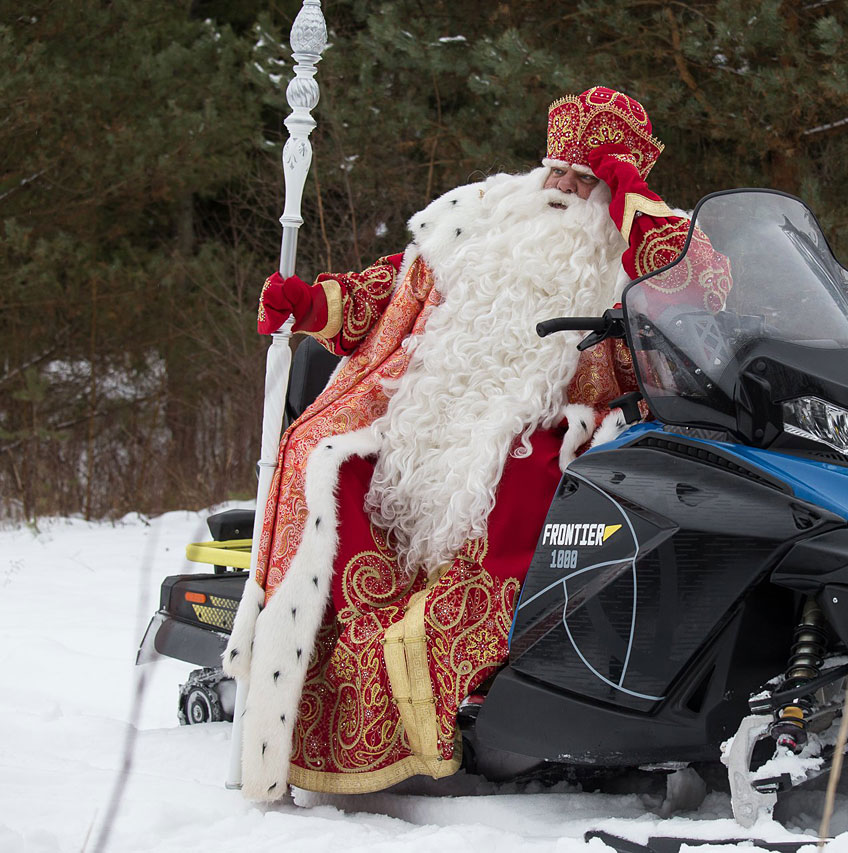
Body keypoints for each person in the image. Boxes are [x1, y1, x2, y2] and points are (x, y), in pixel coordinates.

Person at [222, 86, 731, 800]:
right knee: (325, 462)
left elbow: (708, 303)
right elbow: (387, 294)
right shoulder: (476, 222)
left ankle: (471, 691)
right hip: (423, 429)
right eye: (555, 170)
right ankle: (324, 696)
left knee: (526, 468)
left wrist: (634, 205)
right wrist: (313, 305)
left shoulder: (642, 248)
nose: (560, 188)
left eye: (584, 179)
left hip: (558, 427)